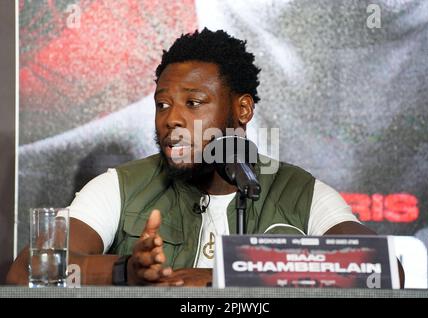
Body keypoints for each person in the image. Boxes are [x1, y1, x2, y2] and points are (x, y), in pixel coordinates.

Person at [7, 28, 403, 287]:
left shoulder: (298, 191)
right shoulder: (120, 186)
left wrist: (225, 276)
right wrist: (124, 271)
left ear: (242, 109)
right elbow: (27, 269)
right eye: (163, 104)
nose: (171, 119)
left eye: (193, 103)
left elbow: (385, 272)